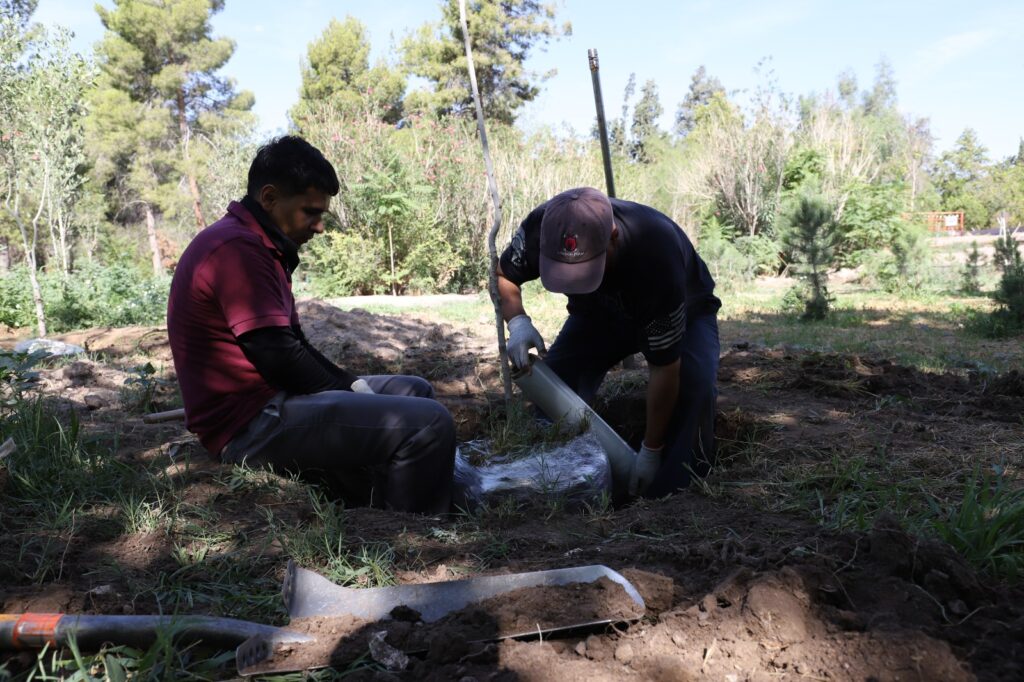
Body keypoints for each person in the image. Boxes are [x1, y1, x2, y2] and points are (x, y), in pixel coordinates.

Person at [167, 136, 455, 514]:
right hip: (248, 425)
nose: (319, 227)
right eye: (310, 212)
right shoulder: (236, 250)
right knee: (430, 424)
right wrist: (349, 391)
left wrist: (351, 385)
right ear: (269, 198)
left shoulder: (261, 245)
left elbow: (294, 344)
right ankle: (407, 531)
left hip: (273, 399)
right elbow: (278, 357)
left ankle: (383, 494)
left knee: (415, 391)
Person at [496, 187, 721, 499]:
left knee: (694, 386)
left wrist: (651, 450)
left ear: (612, 237)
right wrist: (518, 322)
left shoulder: (655, 253)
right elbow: (504, 275)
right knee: (556, 384)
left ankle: (674, 495)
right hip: (598, 314)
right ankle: (555, 484)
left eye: (583, 271)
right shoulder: (542, 227)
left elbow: (665, 368)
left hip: (682, 309)